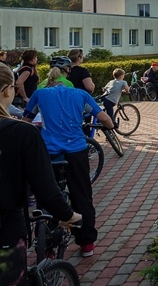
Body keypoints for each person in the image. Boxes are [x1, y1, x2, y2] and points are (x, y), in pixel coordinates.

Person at [0, 63, 82, 282]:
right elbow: (45, 187)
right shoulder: (21, 133)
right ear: (7, 90)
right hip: (6, 228)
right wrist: (68, 215)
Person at [22, 68, 114, 258]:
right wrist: (111, 127)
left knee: (47, 195)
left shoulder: (39, 94)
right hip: (76, 151)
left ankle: (47, 246)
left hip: (49, 152)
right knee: (82, 195)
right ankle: (87, 243)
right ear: (68, 83)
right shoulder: (80, 94)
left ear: (50, 82)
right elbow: (103, 117)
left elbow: (26, 120)